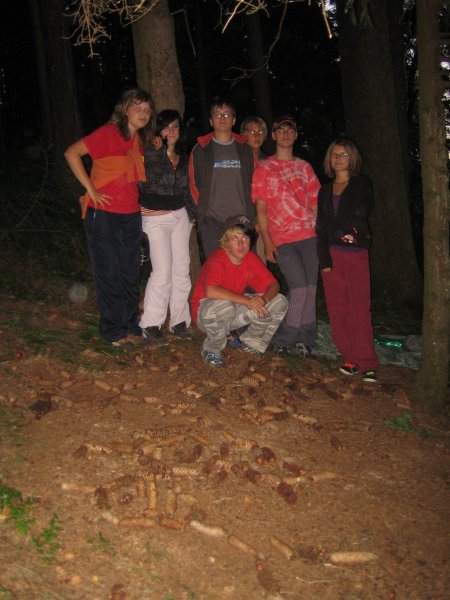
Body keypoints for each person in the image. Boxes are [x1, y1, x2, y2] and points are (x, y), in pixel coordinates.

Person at [64, 88, 154, 348]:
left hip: (131, 214)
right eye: (138, 107)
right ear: (125, 109)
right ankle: (113, 331)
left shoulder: (139, 141)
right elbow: (72, 153)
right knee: (109, 272)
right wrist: (91, 190)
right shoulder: (108, 133)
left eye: (147, 110)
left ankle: (130, 326)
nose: (143, 113)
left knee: (130, 272)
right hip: (103, 214)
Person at [252, 115, 321, 357]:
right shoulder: (264, 169)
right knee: (299, 288)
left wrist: (321, 234)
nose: (285, 133)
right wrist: (267, 240)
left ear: (296, 135)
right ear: (273, 135)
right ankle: (284, 338)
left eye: (290, 130)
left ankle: (306, 338)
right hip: (283, 239)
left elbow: (316, 204)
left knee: (310, 289)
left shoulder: (305, 167)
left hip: (310, 236)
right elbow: (261, 208)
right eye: (280, 130)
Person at [316, 138, 378, 383]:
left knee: (359, 308)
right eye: (335, 154)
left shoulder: (361, 184)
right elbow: (321, 227)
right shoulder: (324, 190)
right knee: (337, 310)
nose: (339, 158)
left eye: (343, 154)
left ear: (352, 158)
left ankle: (368, 362)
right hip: (332, 255)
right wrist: (324, 259)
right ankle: (350, 358)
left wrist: (337, 229)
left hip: (356, 253)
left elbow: (360, 213)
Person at [191, 215, 288, 368]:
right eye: (235, 238)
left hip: (231, 309)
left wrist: (263, 300)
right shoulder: (217, 260)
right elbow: (211, 291)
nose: (241, 244)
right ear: (226, 241)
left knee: (279, 301)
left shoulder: (250, 258)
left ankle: (251, 343)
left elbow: (273, 285)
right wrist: (247, 301)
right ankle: (211, 349)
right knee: (224, 306)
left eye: (245, 238)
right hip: (206, 314)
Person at [138, 109, 196, 345]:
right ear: (158, 130)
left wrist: (192, 214)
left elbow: (185, 189)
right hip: (154, 217)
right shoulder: (150, 151)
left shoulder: (183, 157)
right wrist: (154, 144)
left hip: (180, 215)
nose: (171, 131)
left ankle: (179, 320)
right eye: (166, 126)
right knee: (162, 271)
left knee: (182, 269)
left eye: (175, 126)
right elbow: (141, 180)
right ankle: (150, 323)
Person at [189, 98, 256, 258]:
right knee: (217, 265)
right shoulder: (201, 149)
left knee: (244, 265)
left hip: (242, 218)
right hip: (212, 220)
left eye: (226, 114)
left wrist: (254, 214)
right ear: (211, 121)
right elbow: (192, 183)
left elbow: (255, 183)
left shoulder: (245, 149)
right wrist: (203, 210)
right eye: (217, 115)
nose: (222, 118)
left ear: (233, 120)